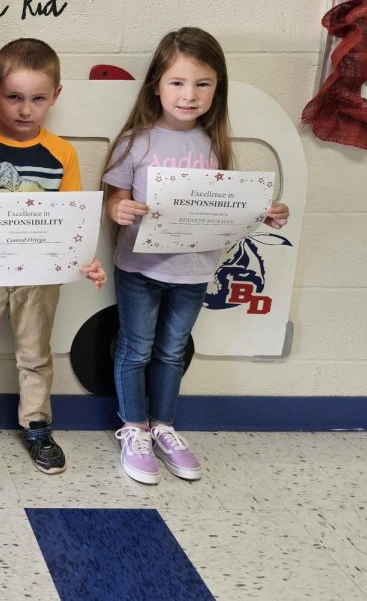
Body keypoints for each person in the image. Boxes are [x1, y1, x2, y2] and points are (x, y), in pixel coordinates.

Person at [102, 27, 289, 484]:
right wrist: (118, 208)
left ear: (217, 89)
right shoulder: (136, 141)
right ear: (157, 86)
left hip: (195, 270)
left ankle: (164, 425)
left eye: (202, 84)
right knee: (136, 348)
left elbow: (228, 207)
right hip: (140, 268)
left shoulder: (215, 144)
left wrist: (264, 214)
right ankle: (134, 428)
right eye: (178, 83)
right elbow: (112, 200)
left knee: (171, 351)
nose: (189, 95)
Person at [0, 38, 106, 478]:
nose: (24, 109)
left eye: (37, 99)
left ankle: (37, 425)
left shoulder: (62, 153)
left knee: (35, 354)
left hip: (41, 274)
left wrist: (84, 260)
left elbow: (72, 217)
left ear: (56, 96)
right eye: (13, 97)